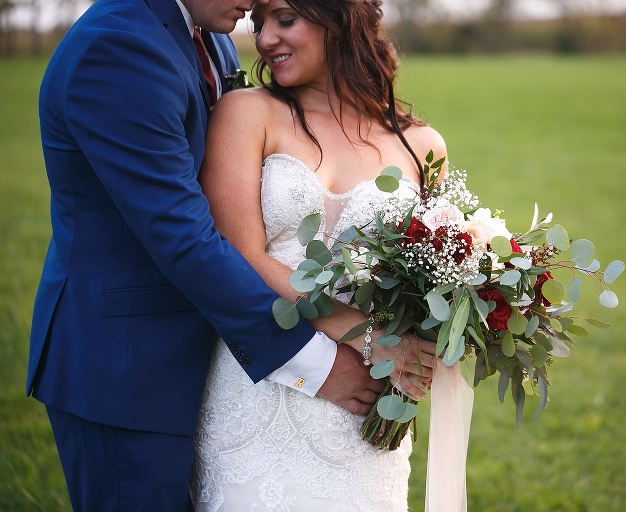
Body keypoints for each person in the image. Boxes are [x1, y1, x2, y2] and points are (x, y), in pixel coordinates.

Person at [28, 0, 395, 508]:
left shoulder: (212, 35)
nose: (259, 27)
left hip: (215, 363)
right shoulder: (118, 47)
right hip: (129, 368)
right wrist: (318, 362)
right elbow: (183, 236)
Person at [190, 0, 446, 510]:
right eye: (259, 23)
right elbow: (241, 256)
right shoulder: (247, 113)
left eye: (285, 19)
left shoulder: (422, 145)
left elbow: (431, 280)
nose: (264, 39)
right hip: (258, 386)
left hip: (367, 409)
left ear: (341, 18)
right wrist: (369, 337)